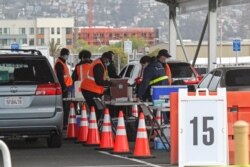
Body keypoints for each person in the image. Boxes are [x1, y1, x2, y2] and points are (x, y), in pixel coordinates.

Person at [81, 51, 113, 122]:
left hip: (91, 89)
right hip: (89, 90)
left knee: (97, 109)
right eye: (109, 60)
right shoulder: (98, 65)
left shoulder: (100, 63)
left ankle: (94, 125)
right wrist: (110, 83)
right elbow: (99, 81)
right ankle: (93, 126)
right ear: (105, 58)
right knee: (97, 109)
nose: (109, 62)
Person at [54, 48, 73, 128]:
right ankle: (64, 124)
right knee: (65, 106)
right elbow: (60, 77)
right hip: (63, 88)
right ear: (64, 55)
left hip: (66, 87)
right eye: (67, 55)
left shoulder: (62, 62)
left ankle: (65, 123)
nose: (68, 57)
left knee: (66, 106)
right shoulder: (59, 63)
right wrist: (64, 87)